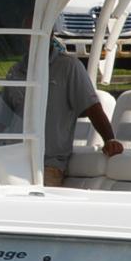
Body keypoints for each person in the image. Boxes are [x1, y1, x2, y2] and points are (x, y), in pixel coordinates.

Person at [44, 39, 123, 187]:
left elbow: (91, 107)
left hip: (47, 163)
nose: (28, 39)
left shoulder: (68, 66)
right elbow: (2, 117)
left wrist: (109, 140)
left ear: (50, 34)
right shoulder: (17, 70)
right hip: (11, 157)